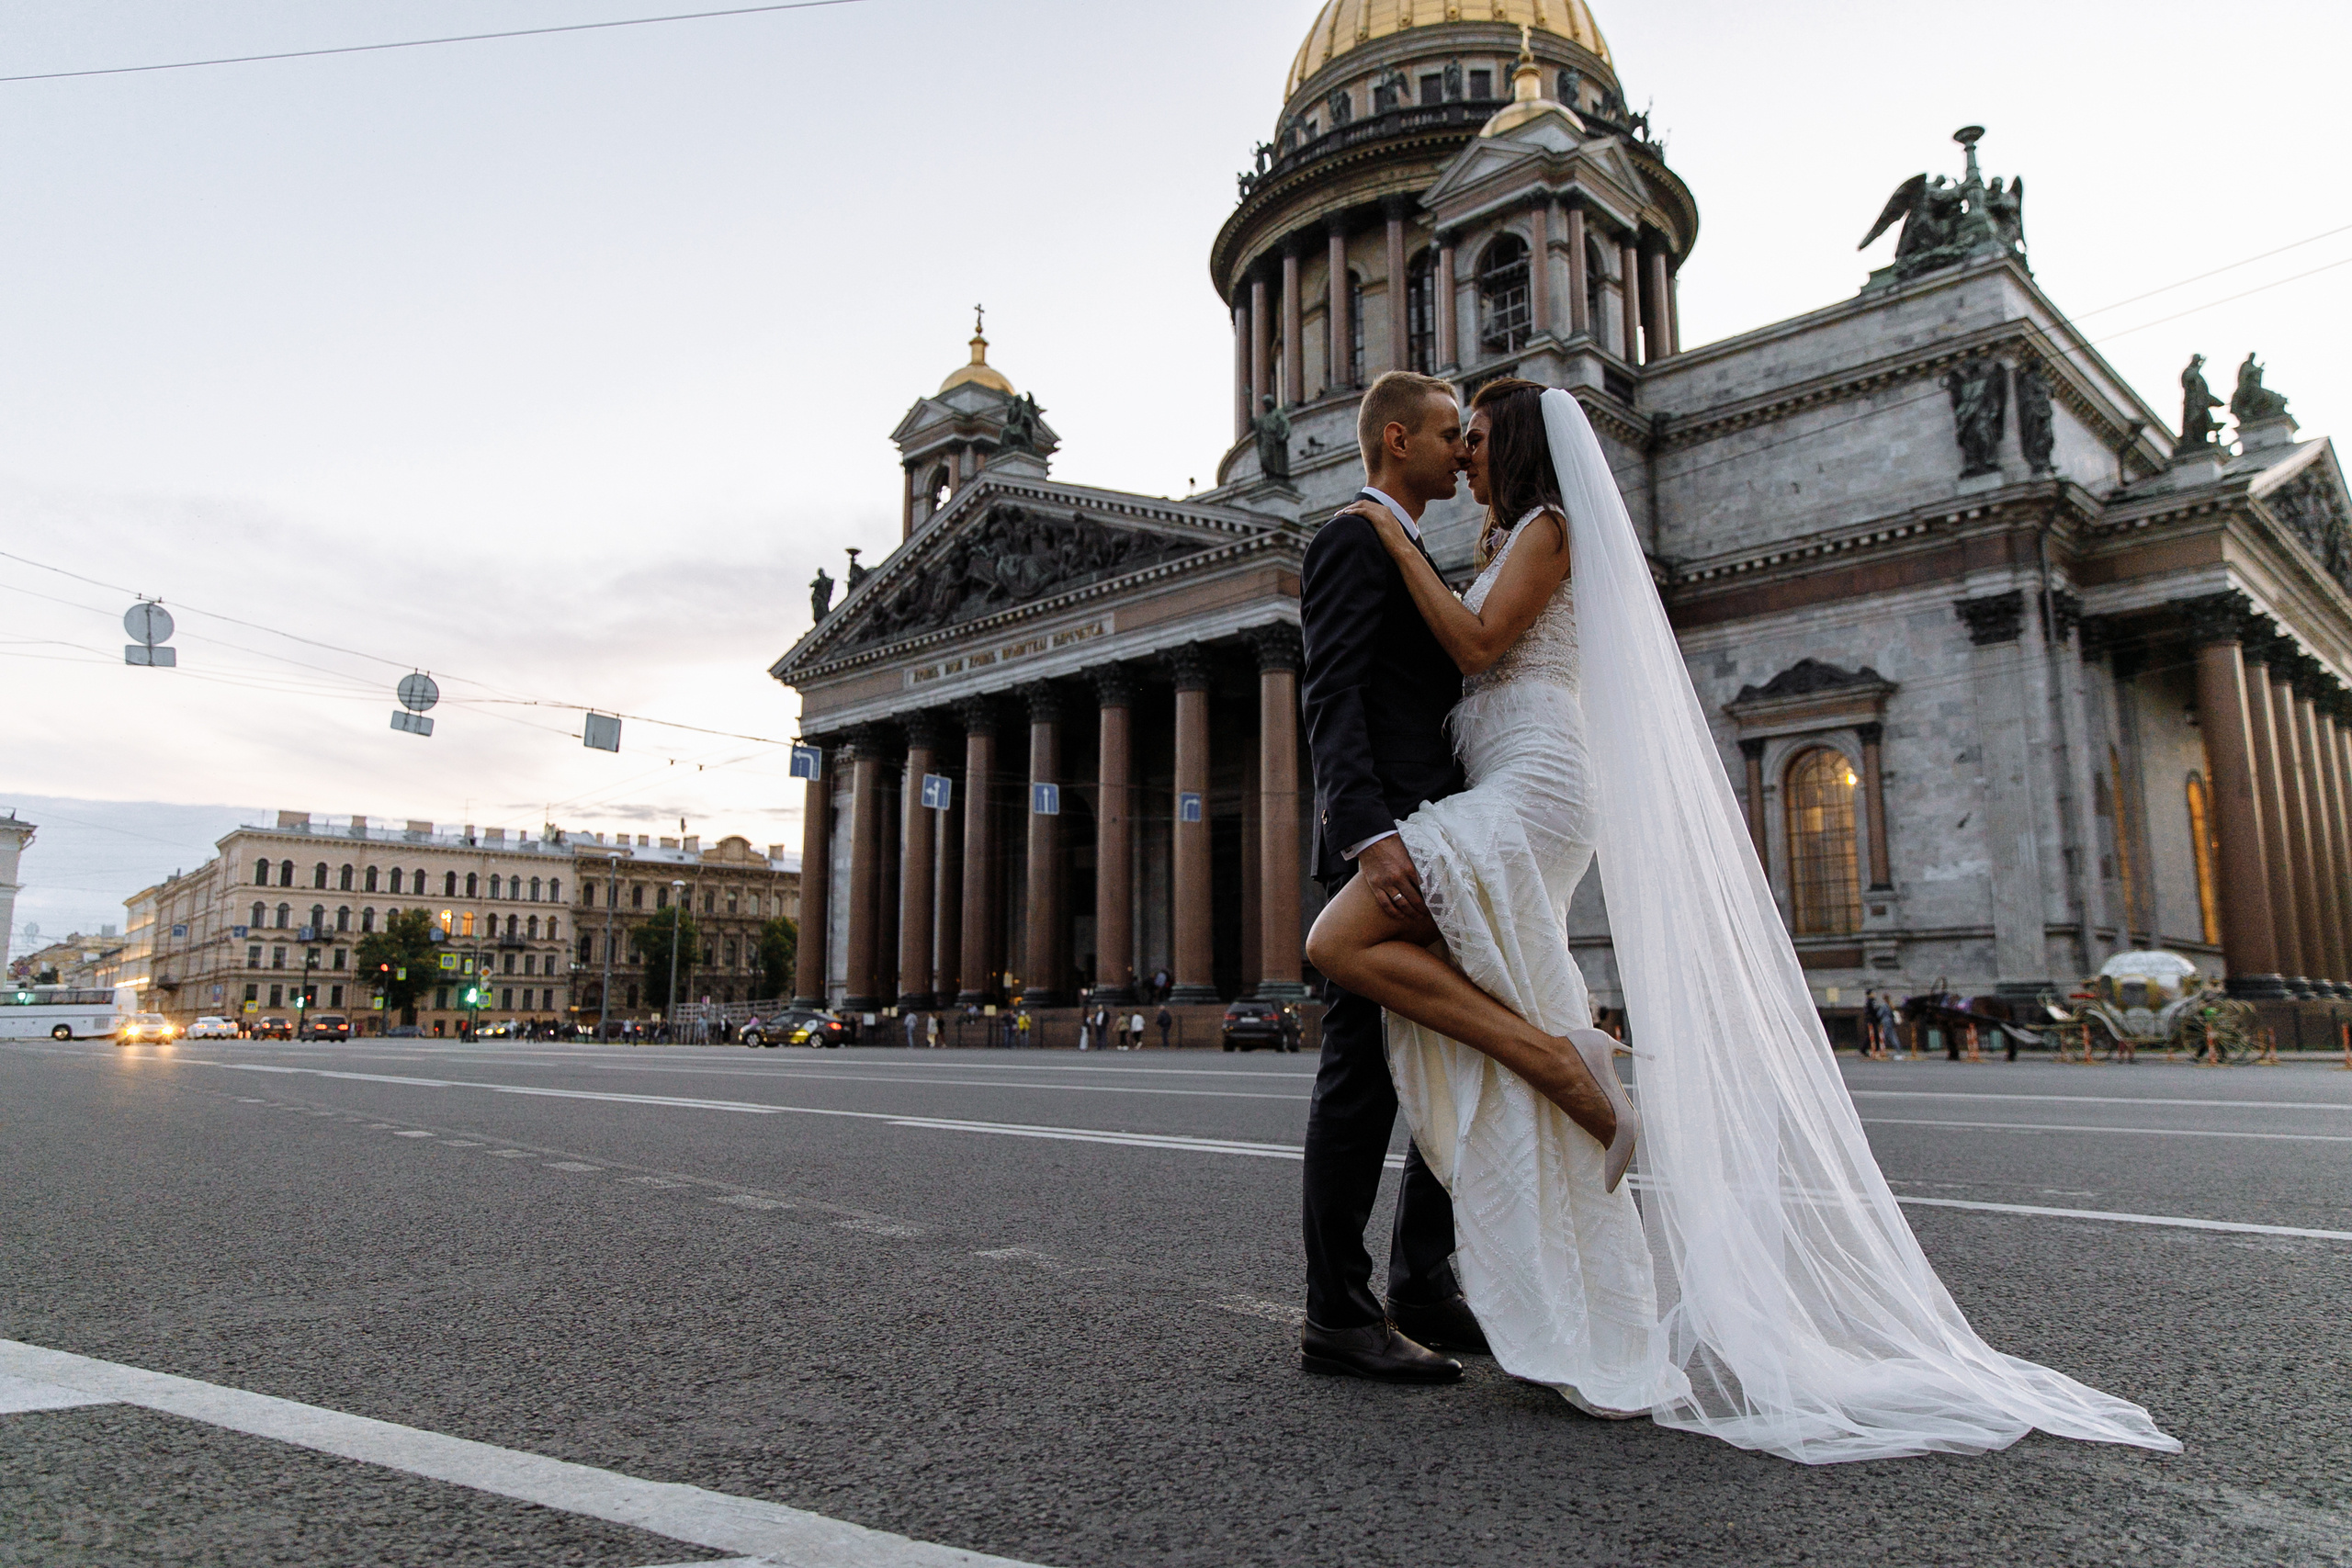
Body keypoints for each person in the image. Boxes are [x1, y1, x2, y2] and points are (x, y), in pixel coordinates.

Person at [1299, 376, 2178, 1461]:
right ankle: (1371, 1287)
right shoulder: (1375, 537)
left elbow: (1475, 648)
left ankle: (1443, 1249)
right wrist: (1361, 827)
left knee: (1450, 1026)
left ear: (1508, 443)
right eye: (1449, 435)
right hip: (1413, 823)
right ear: (1399, 440)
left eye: (1472, 436)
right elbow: (1335, 692)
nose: (1461, 452)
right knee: (1387, 1058)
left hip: (1497, 798)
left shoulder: (1513, 531)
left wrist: (1398, 549)